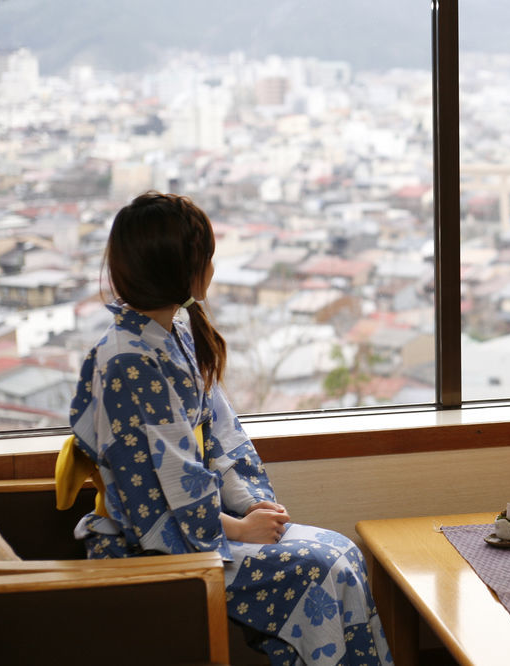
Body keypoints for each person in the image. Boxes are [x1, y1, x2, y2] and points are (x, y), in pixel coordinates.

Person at [68, 192, 391, 666]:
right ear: (180, 268)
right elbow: (165, 490)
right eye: (207, 258)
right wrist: (240, 528)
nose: (213, 269)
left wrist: (251, 502)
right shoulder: (130, 362)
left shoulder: (171, 333)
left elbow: (218, 435)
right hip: (155, 546)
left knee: (341, 552)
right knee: (328, 566)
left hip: (197, 522)